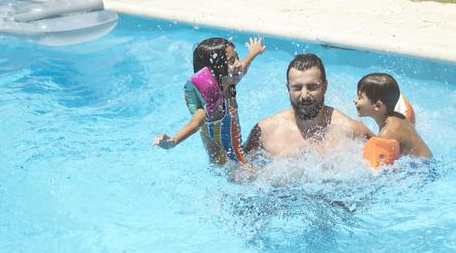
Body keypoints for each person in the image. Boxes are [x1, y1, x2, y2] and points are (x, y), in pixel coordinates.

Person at [153, 37, 265, 166]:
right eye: (231, 61)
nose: (238, 64)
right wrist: (173, 141)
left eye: (237, 58)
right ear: (213, 70)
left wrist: (253, 52)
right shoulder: (215, 106)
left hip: (234, 162)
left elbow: (243, 68)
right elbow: (194, 123)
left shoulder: (227, 86)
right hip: (233, 171)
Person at [244, 53, 375, 157]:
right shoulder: (265, 131)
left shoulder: (350, 130)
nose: (305, 95)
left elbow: (389, 159)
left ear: (325, 87)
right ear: (288, 89)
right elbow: (239, 170)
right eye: (297, 88)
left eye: (312, 87)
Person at [353, 73, 433, 159]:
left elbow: (382, 169)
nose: (354, 99)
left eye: (360, 97)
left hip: (421, 169)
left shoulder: (387, 133)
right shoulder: (397, 117)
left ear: (378, 106)